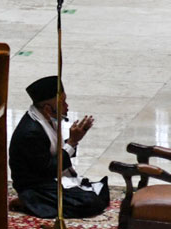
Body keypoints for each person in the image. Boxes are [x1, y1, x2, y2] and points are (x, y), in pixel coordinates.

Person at [9, 76, 109, 219]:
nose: (67, 106)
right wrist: (72, 143)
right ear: (48, 109)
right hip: (35, 187)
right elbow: (49, 169)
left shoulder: (46, 119)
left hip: (48, 178)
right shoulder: (31, 132)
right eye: (62, 103)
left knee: (100, 192)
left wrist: (75, 139)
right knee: (90, 203)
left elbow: (54, 153)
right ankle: (27, 202)